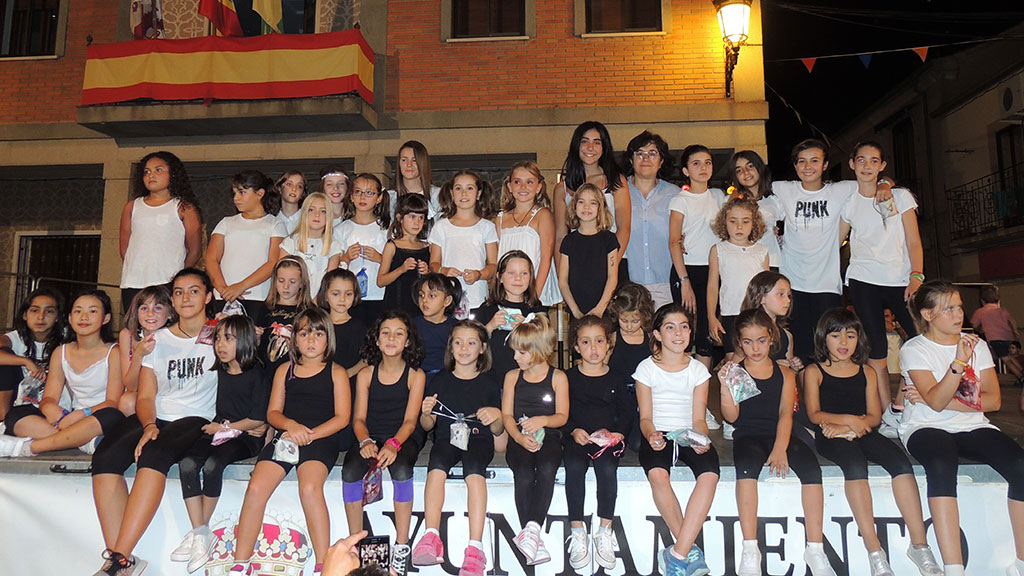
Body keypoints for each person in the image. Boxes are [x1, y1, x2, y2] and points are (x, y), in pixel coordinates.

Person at [90, 268, 219, 576]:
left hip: (197, 417)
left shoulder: (220, 334)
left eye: (193, 291)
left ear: (208, 297)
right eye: (178, 292)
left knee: (154, 455)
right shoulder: (157, 340)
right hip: (157, 414)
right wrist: (149, 425)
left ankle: (117, 559)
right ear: (172, 300)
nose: (185, 297)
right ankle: (122, 560)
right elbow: (145, 397)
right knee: (105, 457)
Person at [803, 308, 942, 576]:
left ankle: (920, 545)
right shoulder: (814, 371)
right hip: (830, 434)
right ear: (823, 338)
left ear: (859, 339)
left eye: (850, 335)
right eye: (836, 335)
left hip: (864, 431)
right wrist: (849, 423)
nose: (844, 342)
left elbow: (875, 415)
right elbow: (814, 414)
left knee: (901, 464)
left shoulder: (867, 371)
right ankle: (875, 550)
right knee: (854, 465)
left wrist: (856, 427)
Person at [901, 281, 1024, 576]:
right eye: (949, 309)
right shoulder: (914, 349)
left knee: (1020, 465)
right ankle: (954, 568)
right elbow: (935, 403)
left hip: (972, 426)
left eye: (959, 307)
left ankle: (1021, 562)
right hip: (925, 426)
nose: (959, 315)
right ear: (928, 315)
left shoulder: (977, 345)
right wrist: (957, 364)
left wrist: (940, 398)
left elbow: (992, 401)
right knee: (941, 464)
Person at [228, 308, 351, 576]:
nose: (311, 340)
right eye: (304, 333)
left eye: (318, 334)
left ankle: (323, 563)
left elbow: (342, 418)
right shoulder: (286, 370)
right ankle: (240, 561)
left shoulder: (336, 372)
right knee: (256, 489)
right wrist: (292, 427)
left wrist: (311, 434)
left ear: (328, 339)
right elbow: (273, 413)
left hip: (321, 437)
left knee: (309, 488)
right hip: (287, 437)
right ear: (294, 339)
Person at [718, 309, 833, 576]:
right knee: (746, 468)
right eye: (748, 342)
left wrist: (780, 448)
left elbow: (785, 414)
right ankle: (750, 548)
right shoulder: (736, 372)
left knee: (812, 470)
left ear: (771, 338)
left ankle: (815, 548)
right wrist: (725, 389)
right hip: (747, 434)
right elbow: (732, 417)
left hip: (781, 433)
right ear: (740, 342)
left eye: (760, 340)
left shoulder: (785, 374)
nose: (755, 347)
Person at [760, 139, 891, 363]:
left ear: (824, 165)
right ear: (795, 166)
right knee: (798, 349)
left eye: (814, 160)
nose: (807, 166)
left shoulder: (841, 190)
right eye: (801, 161)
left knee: (827, 346)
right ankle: (801, 396)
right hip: (793, 283)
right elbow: (756, 192)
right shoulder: (784, 189)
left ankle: (825, 394)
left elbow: (871, 179)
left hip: (827, 284)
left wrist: (885, 183)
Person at [840, 141, 925, 434]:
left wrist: (917, 275)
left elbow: (914, 240)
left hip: (900, 279)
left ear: (882, 166)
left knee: (921, 339)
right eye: (860, 160)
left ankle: (902, 403)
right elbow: (834, 239)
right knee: (875, 349)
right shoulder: (848, 201)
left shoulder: (899, 196)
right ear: (852, 164)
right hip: (863, 280)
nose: (866, 166)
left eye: (873, 161)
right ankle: (889, 412)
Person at [173, 316, 267, 573]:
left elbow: (258, 420)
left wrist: (228, 428)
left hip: (246, 439)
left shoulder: (257, 374)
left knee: (214, 465)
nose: (221, 345)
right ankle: (201, 532)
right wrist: (221, 428)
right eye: (218, 338)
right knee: (188, 463)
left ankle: (200, 532)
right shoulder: (218, 372)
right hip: (218, 431)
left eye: (229, 338)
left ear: (246, 340)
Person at [412, 320, 504, 576]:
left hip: (479, 441)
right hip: (446, 440)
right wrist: (426, 412)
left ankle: (475, 547)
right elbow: (427, 424)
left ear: (483, 348)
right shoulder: (440, 380)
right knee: (437, 465)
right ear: (450, 348)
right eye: (458, 342)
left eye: (471, 343)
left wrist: (496, 416)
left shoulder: (489, 383)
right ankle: (431, 535)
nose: (464, 348)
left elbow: (497, 432)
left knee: (475, 471)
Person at [634, 303, 717, 575]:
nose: (678, 333)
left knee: (709, 474)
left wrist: (701, 438)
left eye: (684, 327)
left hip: (687, 433)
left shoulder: (698, 370)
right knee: (658, 474)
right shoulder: (646, 368)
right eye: (670, 327)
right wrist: (651, 435)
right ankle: (689, 552)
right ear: (657, 334)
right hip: (659, 433)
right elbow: (645, 418)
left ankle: (678, 554)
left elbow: (697, 418)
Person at [343, 310, 426, 576]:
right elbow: (358, 419)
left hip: (403, 436)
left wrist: (393, 445)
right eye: (386, 333)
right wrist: (366, 440)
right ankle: (356, 542)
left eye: (399, 333)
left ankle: (402, 546)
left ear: (408, 341)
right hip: (372, 434)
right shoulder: (366, 374)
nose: (392, 338)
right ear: (377, 340)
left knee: (401, 469)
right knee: (350, 471)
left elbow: (411, 421)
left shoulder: (416, 375)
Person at [0, 290, 123, 458]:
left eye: (92, 311)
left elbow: (112, 402)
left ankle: (30, 447)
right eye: (78, 311)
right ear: (70, 318)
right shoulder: (62, 351)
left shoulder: (114, 352)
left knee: (112, 416)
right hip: (68, 417)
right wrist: (53, 410)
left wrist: (82, 414)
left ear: (106, 318)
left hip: (96, 416)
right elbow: (49, 397)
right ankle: (83, 442)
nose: (84, 317)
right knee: (16, 416)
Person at [563, 315, 633, 572]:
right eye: (586, 342)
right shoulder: (567, 377)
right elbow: (562, 412)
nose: (593, 348)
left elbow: (627, 412)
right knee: (573, 466)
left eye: (599, 341)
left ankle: (605, 528)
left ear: (608, 345)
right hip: (579, 438)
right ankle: (578, 529)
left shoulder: (616, 377)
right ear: (576, 347)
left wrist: (619, 433)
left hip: (606, 440)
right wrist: (573, 430)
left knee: (606, 469)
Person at [501, 314, 568, 566]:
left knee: (548, 467)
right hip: (519, 438)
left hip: (548, 435)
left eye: (521, 353)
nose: (515, 357)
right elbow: (507, 414)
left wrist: (542, 421)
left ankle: (531, 532)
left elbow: (562, 416)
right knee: (525, 471)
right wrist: (518, 437)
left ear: (538, 351)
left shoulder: (558, 377)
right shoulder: (512, 377)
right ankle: (532, 535)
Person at [119, 151, 202, 313]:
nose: (151, 175)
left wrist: (178, 277)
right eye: (147, 172)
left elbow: (195, 250)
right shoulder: (132, 206)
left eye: (158, 170)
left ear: (173, 174)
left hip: (167, 282)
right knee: (135, 330)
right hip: (134, 282)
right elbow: (125, 248)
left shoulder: (184, 207)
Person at [668, 144, 727, 372]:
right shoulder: (680, 200)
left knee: (707, 331)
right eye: (696, 163)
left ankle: (701, 389)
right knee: (683, 329)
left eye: (707, 162)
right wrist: (684, 282)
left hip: (714, 271)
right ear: (686, 171)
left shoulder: (719, 196)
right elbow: (674, 242)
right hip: (687, 270)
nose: (703, 167)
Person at [553, 121, 630, 281]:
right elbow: (560, 236)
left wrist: (610, 267)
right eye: (584, 141)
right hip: (577, 262)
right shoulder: (562, 188)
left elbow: (624, 228)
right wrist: (562, 277)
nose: (590, 147)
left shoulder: (616, 181)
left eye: (597, 142)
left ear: (604, 148)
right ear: (577, 146)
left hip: (611, 261)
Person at [206, 169, 287, 316]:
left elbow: (273, 262)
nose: (236, 198)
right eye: (235, 193)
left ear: (260, 194)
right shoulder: (226, 223)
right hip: (224, 296)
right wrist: (224, 289)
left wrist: (241, 286)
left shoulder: (274, 224)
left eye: (242, 192)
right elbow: (212, 258)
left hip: (257, 297)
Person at [622, 131, 680, 309]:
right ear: (631, 160)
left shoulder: (675, 194)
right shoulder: (619, 193)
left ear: (661, 161)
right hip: (628, 286)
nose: (645, 158)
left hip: (665, 285)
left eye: (652, 153)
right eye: (639, 153)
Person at [707, 195, 769, 358]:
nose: (739, 226)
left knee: (757, 359)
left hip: (757, 313)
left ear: (753, 223)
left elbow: (767, 289)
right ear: (724, 222)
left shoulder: (762, 251)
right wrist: (712, 317)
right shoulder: (718, 250)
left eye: (745, 221)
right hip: (730, 314)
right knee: (734, 363)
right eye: (733, 221)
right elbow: (713, 286)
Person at [473, 251, 548, 382]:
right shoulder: (487, 309)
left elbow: (546, 346)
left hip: (528, 381)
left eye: (524, 273)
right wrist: (489, 327)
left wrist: (528, 328)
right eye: (511, 273)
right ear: (500, 277)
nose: (518, 278)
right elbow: (472, 344)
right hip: (492, 380)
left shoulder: (537, 310)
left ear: (530, 277)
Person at [429, 170, 499, 311]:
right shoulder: (441, 226)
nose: (464, 193)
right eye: (458, 188)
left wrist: (478, 275)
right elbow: (433, 264)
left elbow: (493, 265)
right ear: (451, 193)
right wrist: (444, 270)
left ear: (478, 194)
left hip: (478, 299)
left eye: (470, 188)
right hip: (448, 298)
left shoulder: (487, 227)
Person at [494, 160, 560, 306]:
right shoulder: (500, 218)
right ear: (510, 186)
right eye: (517, 182)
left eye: (529, 182)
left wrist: (534, 295)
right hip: (508, 291)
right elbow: (498, 259)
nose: (523, 187)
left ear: (539, 187)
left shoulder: (543, 215)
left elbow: (545, 258)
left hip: (533, 290)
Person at [0, 288, 65, 421]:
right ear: (25, 315)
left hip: (53, 402)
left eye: (49, 311)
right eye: (35, 310)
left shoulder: (67, 338)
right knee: (5, 358)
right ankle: (4, 419)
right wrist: (26, 361)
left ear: (57, 317)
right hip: (18, 402)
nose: (41, 317)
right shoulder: (15, 338)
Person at [558, 183, 620, 320]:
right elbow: (562, 281)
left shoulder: (609, 239)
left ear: (600, 208)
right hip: (577, 311)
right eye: (581, 202)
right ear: (574, 206)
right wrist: (575, 310)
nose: (586, 207)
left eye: (593, 203)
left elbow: (612, 278)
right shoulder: (568, 241)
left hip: (604, 310)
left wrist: (600, 309)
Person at [335, 173, 391, 324]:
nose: (362, 197)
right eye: (358, 192)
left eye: (369, 193)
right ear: (351, 196)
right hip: (350, 297)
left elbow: (396, 263)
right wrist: (346, 258)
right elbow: (334, 268)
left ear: (378, 198)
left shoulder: (387, 230)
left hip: (379, 295)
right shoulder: (341, 229)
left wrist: (380, 258)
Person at [607, 283, 654, 452]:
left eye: (635, 321)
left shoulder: (650, 339)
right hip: (618, 398)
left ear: (644, 317)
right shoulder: (612, 338)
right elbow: (603, 367)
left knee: (637, 444)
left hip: (644, 397)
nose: (628, 326)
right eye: (624, 321)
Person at [253, 256, 315, 381]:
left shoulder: (309, 311)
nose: (286, 286)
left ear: (302, 283)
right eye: (281, 280)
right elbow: (257, 345)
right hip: (267, 372)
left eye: (292, 282)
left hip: (297, 373)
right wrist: (256, 336)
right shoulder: (266, 308)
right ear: (274, 281)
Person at [117, 286, 173, 416]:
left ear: (170, 313)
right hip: (140, 392)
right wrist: (138, 355)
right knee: (127, 401)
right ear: (136, 313)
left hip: (167, 392)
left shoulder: (173, 336)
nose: (150, 313)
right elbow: (131, 385)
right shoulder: (127, 335)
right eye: (144, 308)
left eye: (158, 308)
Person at [727, 150, 782, 270]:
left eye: (750, 166)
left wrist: (781, 233)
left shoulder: (774, 199)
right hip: (742, 263)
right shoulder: (730, 202)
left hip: (771, 262)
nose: (745, 172)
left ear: (759, 167)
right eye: (739, 170)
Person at [379, 193, 431, 317]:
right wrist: (401, 269)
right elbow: (381, 281)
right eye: (412, 217)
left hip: (419, 308)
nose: (417, 222)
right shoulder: (392, 245)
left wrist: (427, 272)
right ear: (400, 218)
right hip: (396, 307)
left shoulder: (427, 247)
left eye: (421, 218)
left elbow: (432, 282)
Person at [279, 192, 342, 294]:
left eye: (323, 211)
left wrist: (316, 303)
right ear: (304, 213)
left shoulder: (334, 246)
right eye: (311, 210)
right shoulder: (290, 242)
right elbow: (282, 276)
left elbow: (329, 282)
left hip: (319, 302)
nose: (317, 215)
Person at [413, 273, 460, 383]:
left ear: (447, 301)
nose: (424, 300)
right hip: (417, 379)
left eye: (432, 296)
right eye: (421, 295)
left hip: (447, 380)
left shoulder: (455, 328)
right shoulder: (411, 325)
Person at [971, 284, 1022, 385]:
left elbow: (974, 324)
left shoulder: (981, 312)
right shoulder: (1002, 310)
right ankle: (1021, 370)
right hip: (1007, 336)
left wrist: (980, 329)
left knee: (1005, 359)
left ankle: (1020, 377)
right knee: (1010, 356)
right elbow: (1011, 320)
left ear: (982, 300)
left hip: (995, 338)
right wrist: (1015, 331)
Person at [387, 140, 441, 220]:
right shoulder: (390, 198)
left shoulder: (438, 196)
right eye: (404, 160)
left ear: (422, 163)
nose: (409, 165)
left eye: (414, 160)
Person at [276, 170, 308, 235]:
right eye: (289, 184)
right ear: (280, 188)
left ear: (302, 193)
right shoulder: (273, 221)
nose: (294, 189)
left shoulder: (308, 220)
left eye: (299, 186)